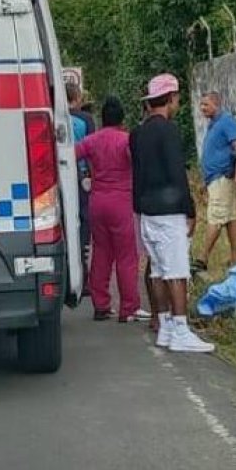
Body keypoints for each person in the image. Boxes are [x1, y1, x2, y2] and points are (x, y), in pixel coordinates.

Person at [130, 74, 214, 353]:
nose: (177, 103)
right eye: (176, 98)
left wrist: (138, 207)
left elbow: (137, 174)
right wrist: (189, 208)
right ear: (169, 99)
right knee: (177, 271)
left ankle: (165, 326)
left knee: (157, 270)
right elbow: (177, 173)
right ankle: (180, 328)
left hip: (147, 211)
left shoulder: (138, 133)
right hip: (169, 211)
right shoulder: (169, 131)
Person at [76, 96, 145, 323]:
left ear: (101, 118)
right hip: (122, 202)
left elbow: (71, 154)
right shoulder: (126, 140)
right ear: (122, 119)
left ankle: (101, 306)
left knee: (101, 254)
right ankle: (128, 308)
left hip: (97, 201)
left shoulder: (91, 140)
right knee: (126, 256)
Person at [194, 92, 236, 273]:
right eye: (201, 105)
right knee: (230, 217)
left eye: (205, 105)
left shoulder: (226, 122)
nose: (202, 108)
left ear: (216, 103)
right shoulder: (213, 124)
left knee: (215, 217)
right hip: (214, 179)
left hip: (223, 177)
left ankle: (202, 258)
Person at [67, 84, 95, 303]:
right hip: (81, 176)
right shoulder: (85, 119)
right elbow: (93, 149)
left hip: (57, 176)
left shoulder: (51, 115)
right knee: (83, 224)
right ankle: (84, 278)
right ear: (77, 97)